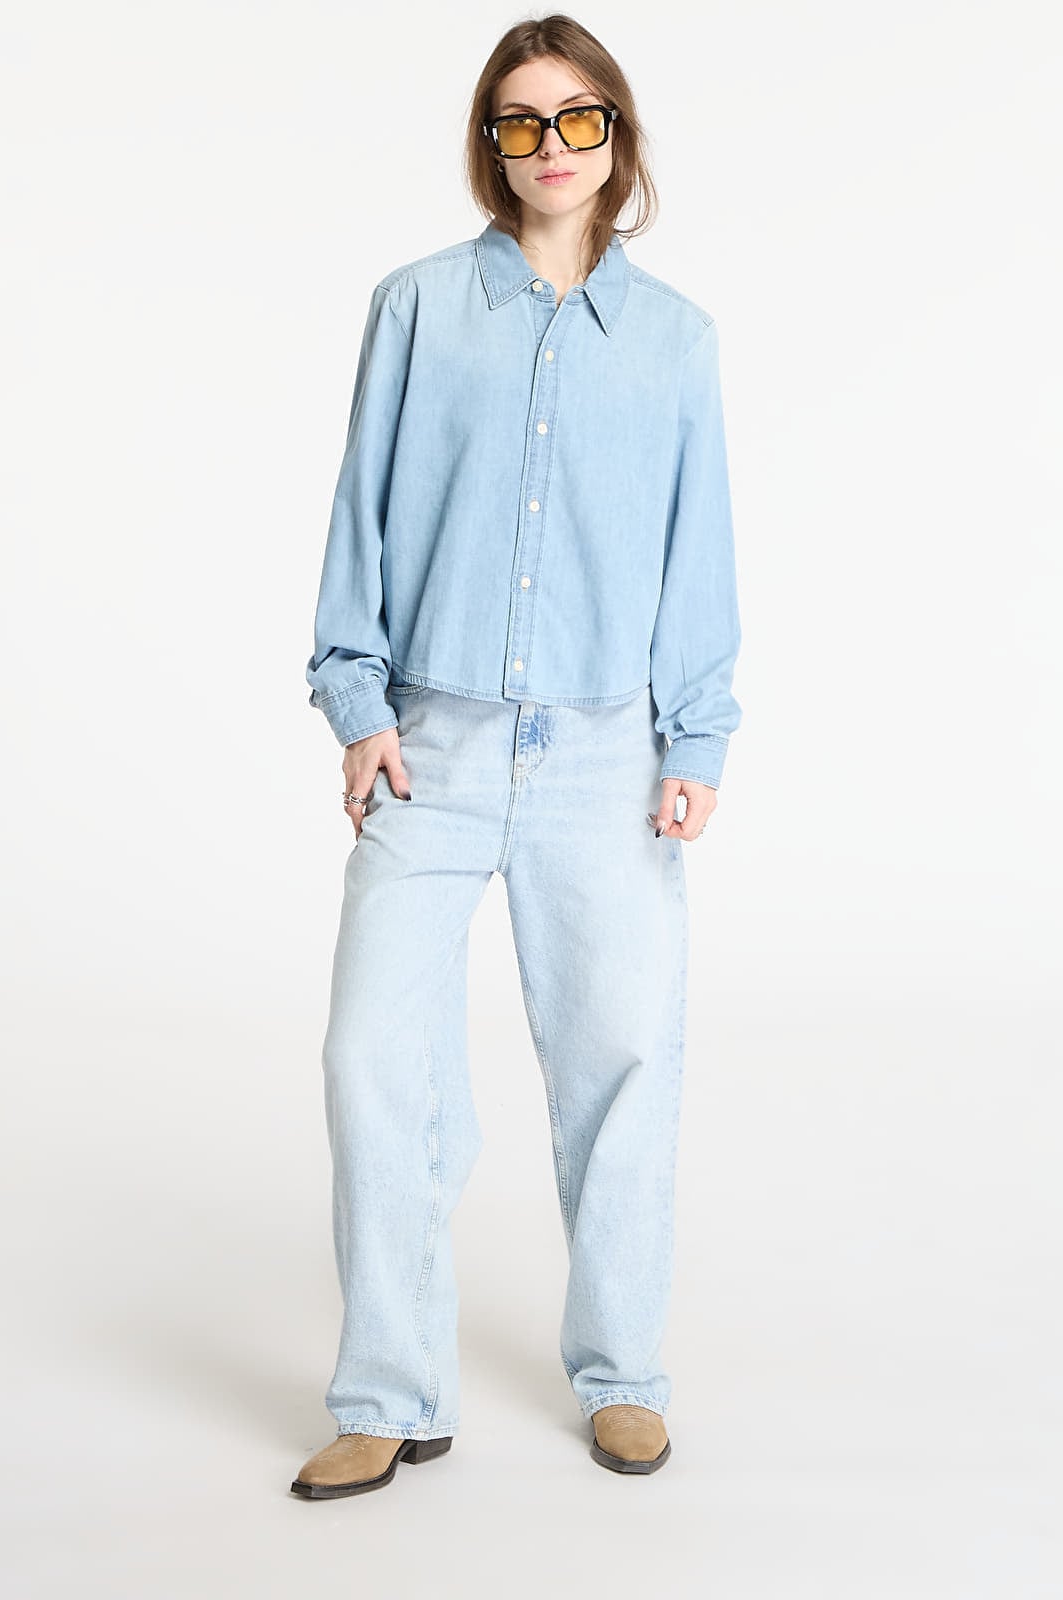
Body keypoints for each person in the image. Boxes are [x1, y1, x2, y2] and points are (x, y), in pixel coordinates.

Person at [290, 13, 742, 1500]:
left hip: (610, 757)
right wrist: (358, 705)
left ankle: (623, 1375)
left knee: (623, 1063)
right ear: (492, 143)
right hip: (431, 746)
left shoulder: (675, 340)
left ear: (619, 136)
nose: (553, 146)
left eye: (580, 117)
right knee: (375, 1060)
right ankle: (390, 1390)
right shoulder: (418, 308)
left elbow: (695, 549)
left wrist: (697, 733)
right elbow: (361, 512)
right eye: (523, 121)